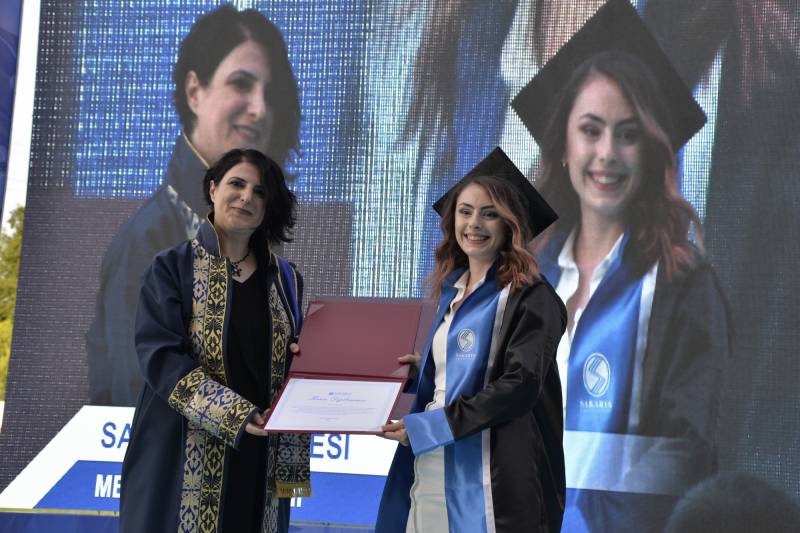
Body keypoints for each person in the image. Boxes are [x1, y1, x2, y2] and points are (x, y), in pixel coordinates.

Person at [511, 0, 731, 529]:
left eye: (628, 134)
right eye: (590, 130)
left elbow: (686, 451)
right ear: (564, 146)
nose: (607, 152)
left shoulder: (683, 286)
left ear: (651, 152)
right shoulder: (526, 277)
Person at [87, 3, 300, 406]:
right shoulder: (151, 245)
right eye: (241, 84)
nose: (259, 108)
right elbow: (140, 386)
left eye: (270, 94)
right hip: (178, 445)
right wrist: (234, 418)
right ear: (194, 91)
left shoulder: (280, 271)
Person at [376, 147, 568, 533]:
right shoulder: (453, 290)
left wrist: (429, 428)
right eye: (465, 211)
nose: (474, 223)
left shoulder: (531, 296)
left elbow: (520, 384)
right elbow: (468, 372)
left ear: (510, 224)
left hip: (492, 478)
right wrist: (426, 371)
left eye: (489, 213)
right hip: (430, 463)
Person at [119, 148, 309, 533]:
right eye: (237, 184)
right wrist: (235, 415)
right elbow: (161, 358)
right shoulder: (172, 267)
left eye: (260, 192)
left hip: (259, 455)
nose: (246, 197)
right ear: (213, 189)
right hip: (179, 455)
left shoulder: (286, 279)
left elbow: (297, 358)